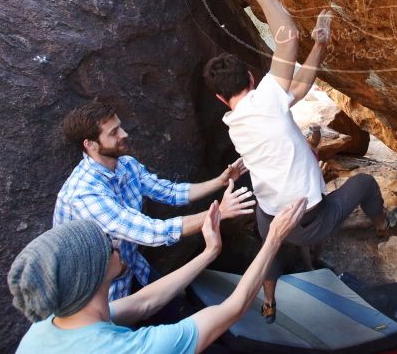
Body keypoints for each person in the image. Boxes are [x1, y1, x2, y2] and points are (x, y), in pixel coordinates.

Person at [204, 0, 397, 323]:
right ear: (251, 79)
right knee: (364, 183)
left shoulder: (238, 123)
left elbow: (297, 88)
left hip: (272, 218)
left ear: (220, 99)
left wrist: (321, 47)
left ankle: (268, 300)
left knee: (271, 245)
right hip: (311, 220)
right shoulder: (265, 101)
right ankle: (382, 226)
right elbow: (287, 36)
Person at [9, 196, 308, 353]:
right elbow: (233, 308)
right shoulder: (128, 349)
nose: (116, 244)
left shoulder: (53, 323)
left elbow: (144, 302)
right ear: (89, 276)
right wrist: (274, 239)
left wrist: (209, 253)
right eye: (107, 245)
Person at [54, 101, 257, 300]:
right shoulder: (84, 194)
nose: (124, 134)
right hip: (101, 295)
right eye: (113, 132)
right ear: (90, 144)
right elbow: (151, 232)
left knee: (173, 306)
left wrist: (220, 181)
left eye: (120, 127)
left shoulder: (125, 165)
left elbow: (169, 192)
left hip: (132, 266)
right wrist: (219, 213)